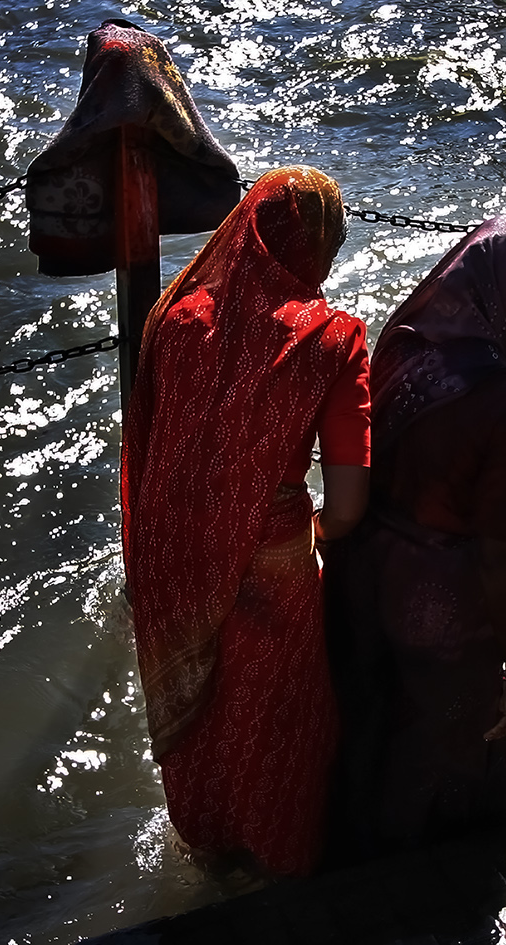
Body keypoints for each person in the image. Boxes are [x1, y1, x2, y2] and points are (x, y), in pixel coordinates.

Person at [120, 166, 371, 876]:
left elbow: (153, 444)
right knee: (275, 715)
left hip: (176, 552)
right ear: (316, 245)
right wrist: (311, 535)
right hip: (275, 559)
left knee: (205, 710)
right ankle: (278, 862)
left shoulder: (172, 318)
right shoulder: (331, 338)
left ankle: (209, 851)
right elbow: (348, 507)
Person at [324, 214, 506, 859]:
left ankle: (344, 872)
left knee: (369, 723)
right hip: (441, 603)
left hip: (363, 570)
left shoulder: (403, 340)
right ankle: (435, 887)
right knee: (458, 746)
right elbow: (495, 546)